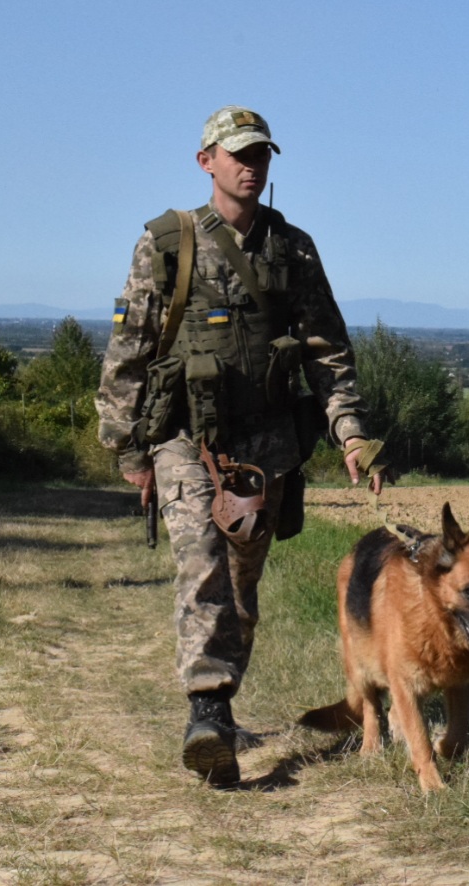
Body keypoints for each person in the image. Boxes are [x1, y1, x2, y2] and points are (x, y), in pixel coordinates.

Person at [96, 106, 387, 785]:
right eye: (238, 154)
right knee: (203, 566)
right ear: (208, 162)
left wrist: (351, 435)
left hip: (267, 450)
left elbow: (328, 353)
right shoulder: (167, 244)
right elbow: (129, 349)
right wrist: (128, 447)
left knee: (240, 583)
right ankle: (206, 712)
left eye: (260, 155)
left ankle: (219, 710)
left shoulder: (293, 250)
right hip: (184, 441)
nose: (251, 165)